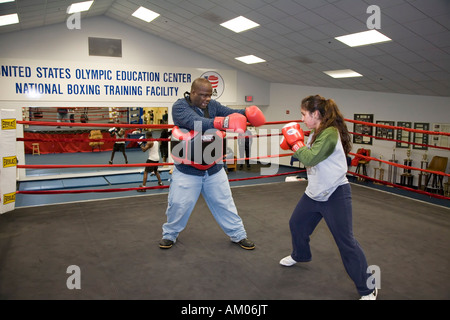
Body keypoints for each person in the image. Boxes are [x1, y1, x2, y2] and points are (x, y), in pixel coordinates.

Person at [279, 94, 378, 300]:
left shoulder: (330, 133)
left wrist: (294, 144)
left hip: (335, 194)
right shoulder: (316, 132)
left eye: (304, 114)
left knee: (346, 242)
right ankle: (300, 255)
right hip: (314, 192)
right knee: (297, 224)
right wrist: (294, 144)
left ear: (316, 114)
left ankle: (368, 288)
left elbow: (310, 157)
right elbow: (305, 156)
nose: (302, 119)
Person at [159, 77, 265, 250]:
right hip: (187, 170)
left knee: (225, 203)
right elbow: (195, 122)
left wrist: (247, 114)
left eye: (209, 95)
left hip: (213, 168)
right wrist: (222, 122)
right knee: (178, 205)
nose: (206, 99)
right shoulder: (180, 106)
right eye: (202, 95)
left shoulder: (213, 106)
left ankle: (238, 235)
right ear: (192, 92)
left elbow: (230, 112)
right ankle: (170, 234)